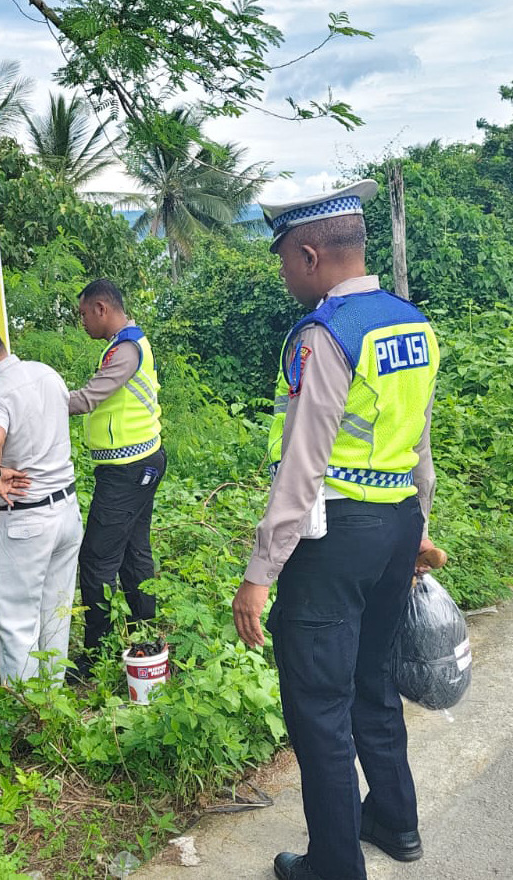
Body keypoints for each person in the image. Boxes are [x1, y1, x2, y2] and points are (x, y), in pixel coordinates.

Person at [231, 180, 441, 880]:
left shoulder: (323, 335)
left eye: (283, 261)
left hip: (334, 538)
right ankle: (395, 822)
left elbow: (302, 464)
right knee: (372, 679)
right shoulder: (410, 323)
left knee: (318, 705)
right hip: (395, 525)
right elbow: (418, 443)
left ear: (310, 254)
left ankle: (333, 864)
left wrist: (259, 573)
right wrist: (417, 529)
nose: (284, 275)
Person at [0, 315, 82, 685]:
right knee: (56, 614)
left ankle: (24, 708)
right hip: (66, 512)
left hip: (25, 520)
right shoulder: (46, 374)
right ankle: (52, 700)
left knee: (17, 622)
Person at [68, 279, 166, 680]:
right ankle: (145, 642)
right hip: (136, 464)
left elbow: (89, 397)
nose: (83, 322)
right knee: (133, 554)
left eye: (84, 314)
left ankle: (96, 656)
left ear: (102, 309)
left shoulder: (125, 349)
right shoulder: (124, 344)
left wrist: (37, 400)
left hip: (129, 470)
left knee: (96, 560)